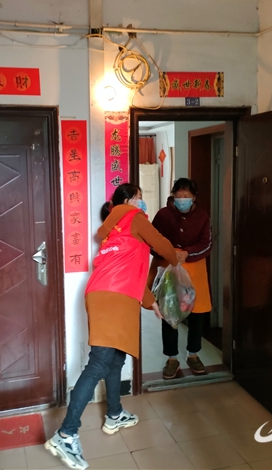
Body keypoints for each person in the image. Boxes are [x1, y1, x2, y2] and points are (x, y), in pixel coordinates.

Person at [45, 183, 180, 470]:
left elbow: (129, 270)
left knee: (116, 357)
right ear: (129, 201)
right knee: (99, 363)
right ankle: (66, 434)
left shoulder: (112, 231)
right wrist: (177, 258)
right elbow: (163, 246)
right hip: (114, 297)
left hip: (104, 293)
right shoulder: (134, 217)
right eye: (140, 198)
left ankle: (115, 414)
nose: (142, 203)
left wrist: (151, 301)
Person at [148, 178, 213, 380]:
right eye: (179, 195)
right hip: (169, 270)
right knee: (170, 313)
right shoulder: (163, 215)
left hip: (195, 271)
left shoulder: (202, 216)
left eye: (186, 195)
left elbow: (207, 243)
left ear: (194, 197)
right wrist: (170, 252)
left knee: (197, 314)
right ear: (173, 196)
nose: (182, 199)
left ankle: (193, 354)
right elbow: (151, 241)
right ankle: (172, 358)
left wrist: (187, 253)